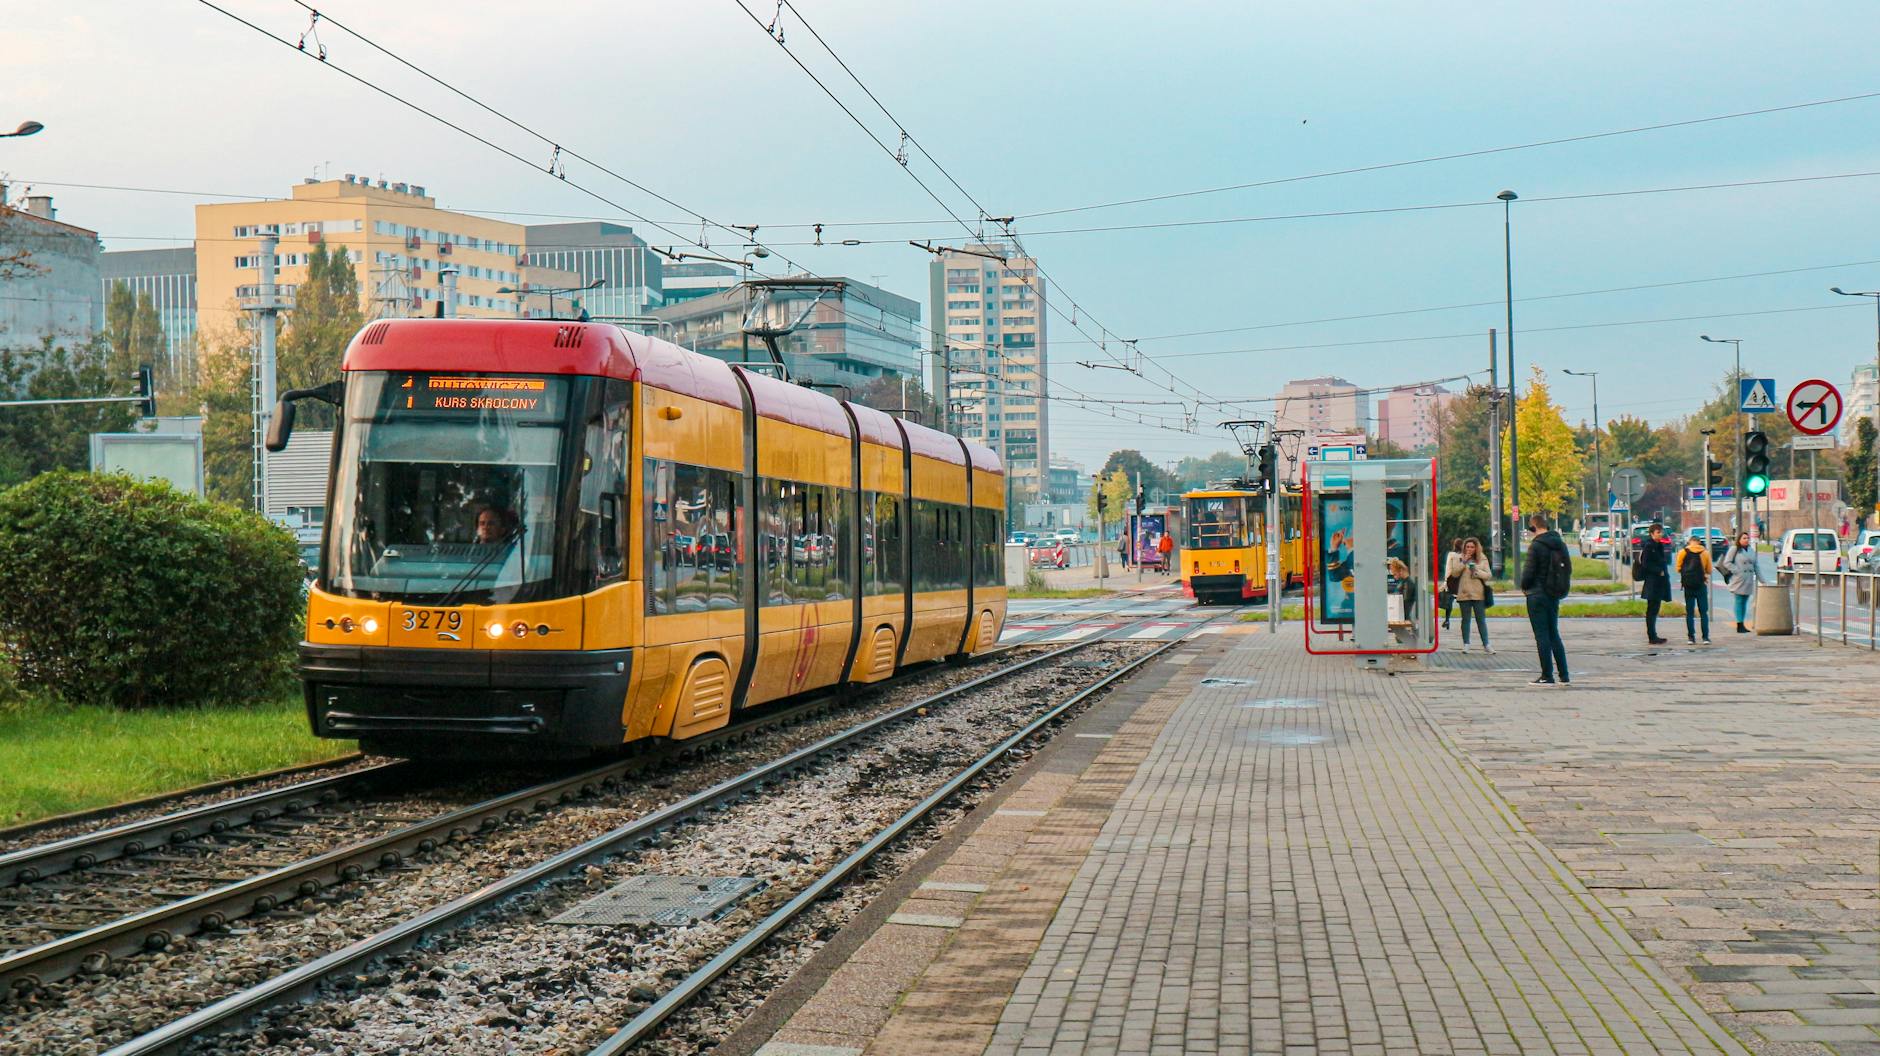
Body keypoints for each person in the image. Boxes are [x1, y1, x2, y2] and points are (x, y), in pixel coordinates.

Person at [1519, 512, 1571, 685]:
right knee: (1554, 633)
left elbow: (1528, 573)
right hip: (1553, 593)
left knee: (1541, 635)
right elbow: (1568, 569)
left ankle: (1547, 675)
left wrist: (1524, 586)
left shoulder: (1536, 546)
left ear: (1533, 528)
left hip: (1536, 594)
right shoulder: (1560, 544)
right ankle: (1564, 675)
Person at [1448, 537, 1494, 653]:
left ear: (1476, 548)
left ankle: (1486, 644)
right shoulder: (1458, 557)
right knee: (1465, 619)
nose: (1469, 549)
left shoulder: (1482, 558)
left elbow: (1488, 575)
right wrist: (1464, 562)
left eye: (1472, 547)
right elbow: (1454, 573)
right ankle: (1466, 644)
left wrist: (1476, 571)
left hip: (1478, 593)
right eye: (1467, 547)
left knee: (1481, 619)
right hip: (1464, 593)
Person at [1675, 533, 1714, 644]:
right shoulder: (1705, 553)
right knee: (1703, 612)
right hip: (1701, 585)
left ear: (1689, 542)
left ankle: (1691, 638)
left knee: (1690, 612)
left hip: (1688, 585)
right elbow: (1710, 570)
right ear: (1699, 542)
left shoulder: (1683, 552)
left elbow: (1678, 568)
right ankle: (1705, 637)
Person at [1638, 523, 1673, 645]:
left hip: (1660, 582)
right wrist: (1658, 571)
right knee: (1652, 610)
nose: (1661, 534)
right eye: (1658, 532)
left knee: (1655, 609)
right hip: (1652, 582)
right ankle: (1652, 636)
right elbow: (1645, 564)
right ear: (1652, 534)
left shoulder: (1659, 545)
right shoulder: (1649, 546)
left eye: (1661, 532)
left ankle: (1654, 635)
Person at [1722, 530, 1758, 633]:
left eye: (1747, 538)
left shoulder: (1751, 550)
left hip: (1748, 579)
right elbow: (1727, 562)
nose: (1746, 540)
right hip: (1739, 579)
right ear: (1739, 539)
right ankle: (1739, 624)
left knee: (1745, 601)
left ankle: (1742, 623)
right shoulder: (1735, 549)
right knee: (1739, 600)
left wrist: (1761, 579)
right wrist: (1736, 570)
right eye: (1744, 538)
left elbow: (1756, 565)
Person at [1441, 538, 1463, 629]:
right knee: (1462, 601)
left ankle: (1447, 619)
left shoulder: (1451, 555)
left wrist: (1446, 580)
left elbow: (1448, 568)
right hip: (1461, 580)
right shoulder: (1463, 555)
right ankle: (1464, 620)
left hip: (1451, 579)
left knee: (1449, 601)